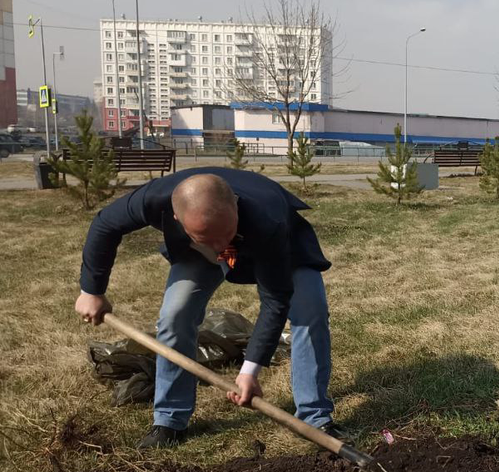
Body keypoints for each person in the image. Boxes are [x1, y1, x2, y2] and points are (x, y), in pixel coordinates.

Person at [75, 167, 341, 448]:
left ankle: (314, 417)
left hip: (280, 244)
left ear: (235, 206)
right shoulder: (154, 199)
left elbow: (275, 300)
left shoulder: (267, 216)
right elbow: (105, 224)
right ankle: (169, 419)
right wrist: (91, 290)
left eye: (225, 233)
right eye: (208, 236)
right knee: (175, 313)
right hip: (197, 251)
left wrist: (249, 372)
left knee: (310, 309)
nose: (221, 247)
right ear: (177, 218)